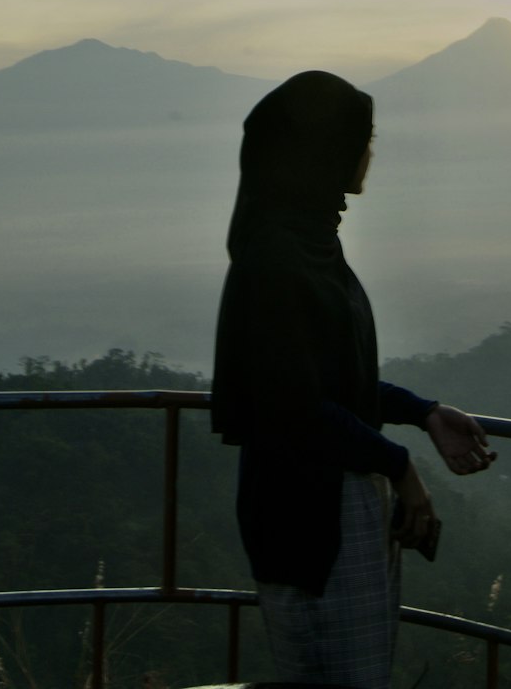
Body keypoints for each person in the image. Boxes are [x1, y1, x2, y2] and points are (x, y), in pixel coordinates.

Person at [211, 70, 495, 689]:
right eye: (361, 138)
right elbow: (292, 407)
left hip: (324, 510)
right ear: (324, 149)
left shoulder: (305, 243)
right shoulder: (280, 258)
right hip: (311, 521)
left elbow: (322, 381)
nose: (370, 151)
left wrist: (422, 411)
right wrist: (400, 466)